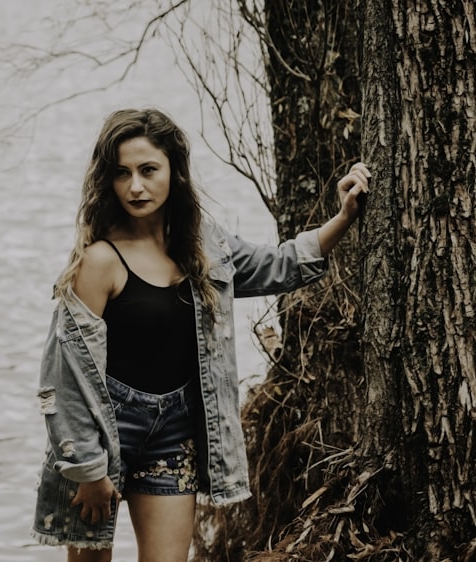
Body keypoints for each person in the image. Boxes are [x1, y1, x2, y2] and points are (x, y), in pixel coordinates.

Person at [30, 108, 371, 562]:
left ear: (174, 171)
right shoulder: (100, 261)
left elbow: (280, 265)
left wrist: (344, 217)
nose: (136, 186)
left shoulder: (204, 247)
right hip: (105, 432)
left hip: (174, 434)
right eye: (122, 174)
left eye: (149, 170)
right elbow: (64, 376)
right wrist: (89, 471)